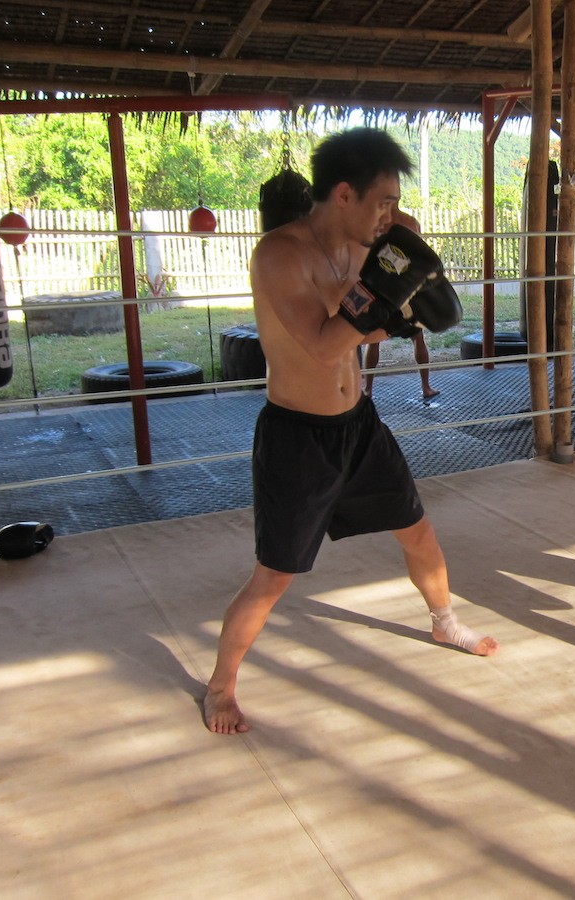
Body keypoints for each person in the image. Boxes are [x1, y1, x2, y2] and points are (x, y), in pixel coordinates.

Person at [204, 128, 498, 735]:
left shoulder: (378, 241)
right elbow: (317, 347)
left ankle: (444, 620)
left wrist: (410, 296)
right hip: (298, 437)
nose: (391, 213)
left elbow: (396, 309)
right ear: (344, 194)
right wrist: (386, 300)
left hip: (359, 425)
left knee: (418, 532)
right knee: (274, 575)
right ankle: (221, 686)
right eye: (382, 200)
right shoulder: (280, 256)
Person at [363, 204, 440, 400]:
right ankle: (425, 387)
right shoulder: (409, 222)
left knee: (376, 341)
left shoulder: (377, 222)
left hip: (385, 286)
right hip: (401, 286)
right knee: (415, 338)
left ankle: (368, 389)